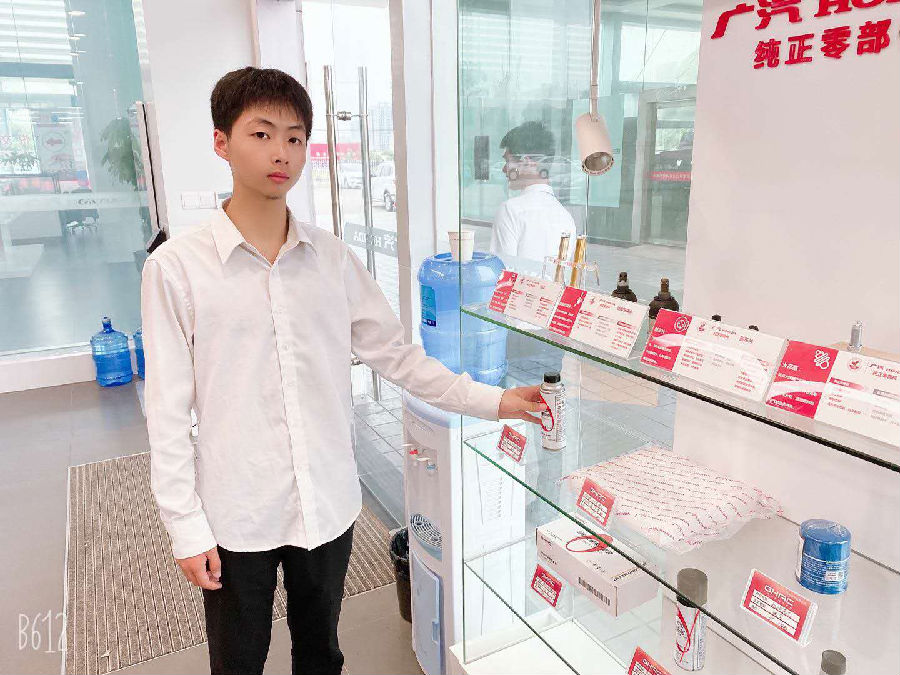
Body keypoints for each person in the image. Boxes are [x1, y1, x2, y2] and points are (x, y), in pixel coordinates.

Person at [140, 67, 546, 675]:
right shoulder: (177, 269)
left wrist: (495, 401)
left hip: (326, 501)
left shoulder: (330, 258)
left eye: (295, 138)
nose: (281, 153)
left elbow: (399, 357)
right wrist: (185, 526)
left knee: (323, 653)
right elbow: (167, 412)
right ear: (221, 142)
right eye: (261, 134)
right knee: (238, 660)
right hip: (236, 509)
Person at [489, 121, 576, 263]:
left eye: (507, 161)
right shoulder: (566, 217)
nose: (504, 169)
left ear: (526, 162)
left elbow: (502, 270)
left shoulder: (510, 210)